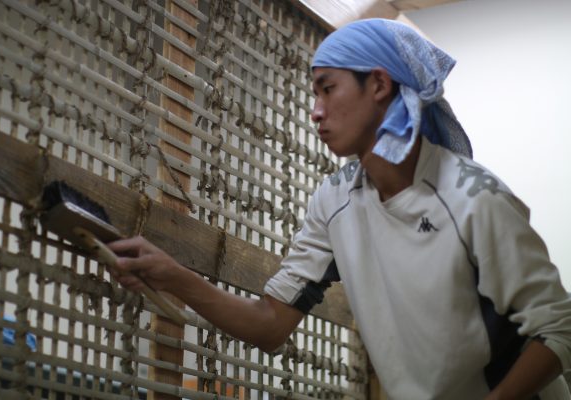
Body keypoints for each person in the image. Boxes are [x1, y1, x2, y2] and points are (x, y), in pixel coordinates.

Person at [108, 18, 571, 399]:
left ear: (379, 85)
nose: (315, 110)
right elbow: (271, 325)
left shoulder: (474, 198)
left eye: (327, 89)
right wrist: (171, 275)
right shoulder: (334, 200)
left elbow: (559, 330)